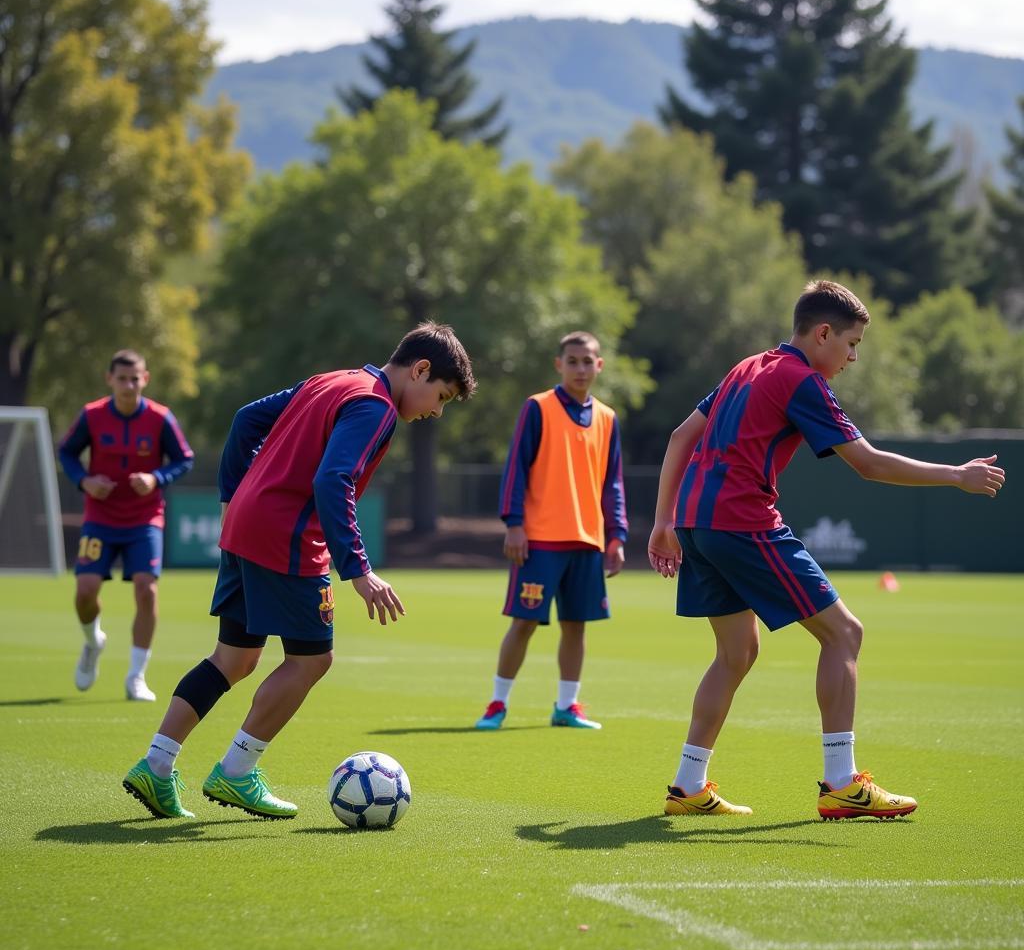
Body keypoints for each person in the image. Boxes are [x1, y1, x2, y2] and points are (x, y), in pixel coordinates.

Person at [647, 280, 1005, 819]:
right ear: (822, 334)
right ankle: (841, 782)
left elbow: (680, 437)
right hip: (742, 521)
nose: (854, 356)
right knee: (845, 633)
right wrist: (955, 474)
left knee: (736, 653)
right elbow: (868, 462)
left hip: (697, 522)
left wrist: (662, 522)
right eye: (852, 343)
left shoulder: (746, 367)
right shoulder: (801, 380)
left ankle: (688, 785)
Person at [122, 322, 475, 819]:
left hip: (247, 526)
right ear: (420, 370)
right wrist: (359, 570)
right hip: (285, 538)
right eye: (440, 396)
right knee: (312, 660)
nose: (435, 411)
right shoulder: (377, 406)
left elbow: (245, 420)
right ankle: (238, 771)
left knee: (235, 658)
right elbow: (334, 479)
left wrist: (232, 496)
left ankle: (156, 766)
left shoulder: (331, 380)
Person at [474, 330, 627, 732]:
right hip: (539, 540)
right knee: (523, 623)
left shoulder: (608, 418)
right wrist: (514, 524)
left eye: (587, 360)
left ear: (599, 365)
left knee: (576, 626)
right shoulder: (537, 407)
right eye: (572, 360)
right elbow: (517, 468)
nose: (580, 367)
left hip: (588, 541)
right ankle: (497, 704)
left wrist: (617, 536)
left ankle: (566, 706)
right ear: (559, 364)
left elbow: (613, 483)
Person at [58, 350, 194, 702]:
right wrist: (84, 480)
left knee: (146, 589)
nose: (129, 385)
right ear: (110, 380)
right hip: (100, 519)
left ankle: (136, 676)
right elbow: (67, 454)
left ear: (145, 379)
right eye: (122, 378)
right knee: (85, 590)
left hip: (144, 518)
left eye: (135, 378)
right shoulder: (91, 415)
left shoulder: (161, 418)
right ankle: (93, 642)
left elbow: (184, 459)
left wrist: (156, 476)